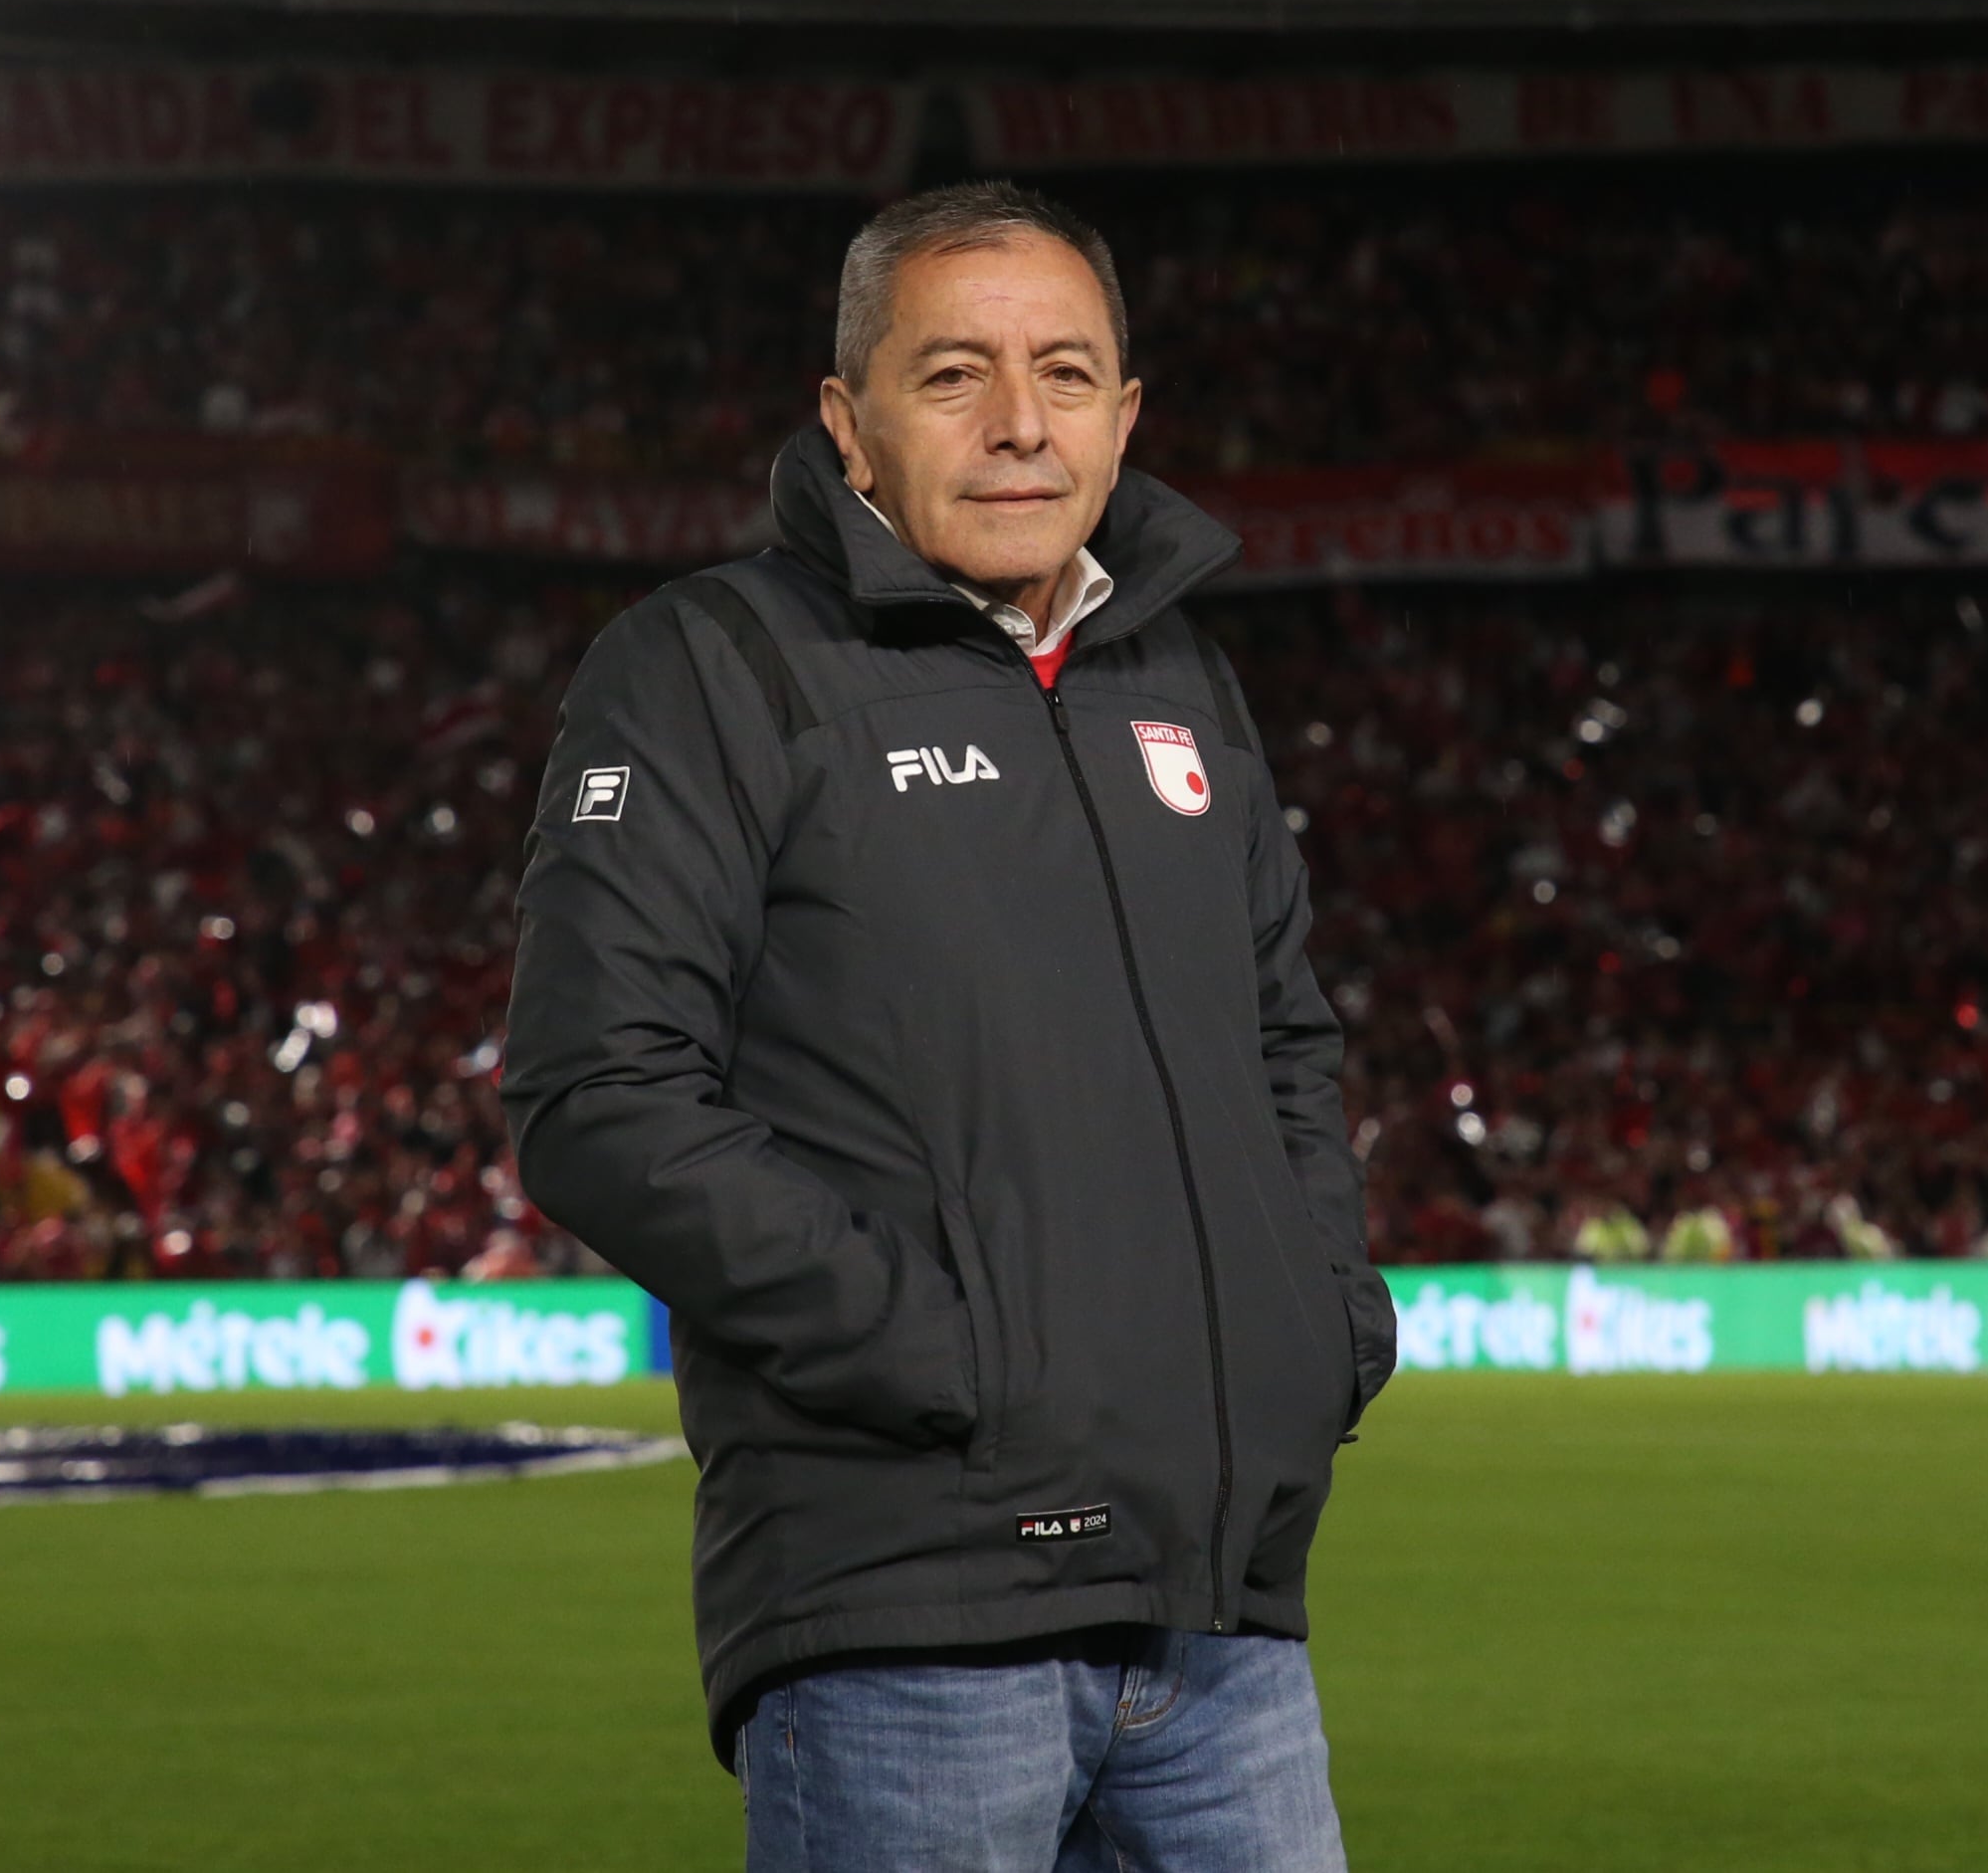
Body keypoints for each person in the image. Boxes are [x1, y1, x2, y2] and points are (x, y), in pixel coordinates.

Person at [503, 180, 1398, 1870]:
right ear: (848, 421)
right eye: (951, 375)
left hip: (1218, 1623)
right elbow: (597, 1092)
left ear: (1127, 418)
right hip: (909, 1616)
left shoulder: (1181, 680)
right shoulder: (710, 665)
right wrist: (956, 1357)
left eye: (1067, 375)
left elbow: (1287, 1045)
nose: (1017, 425)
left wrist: (1316, 1328)